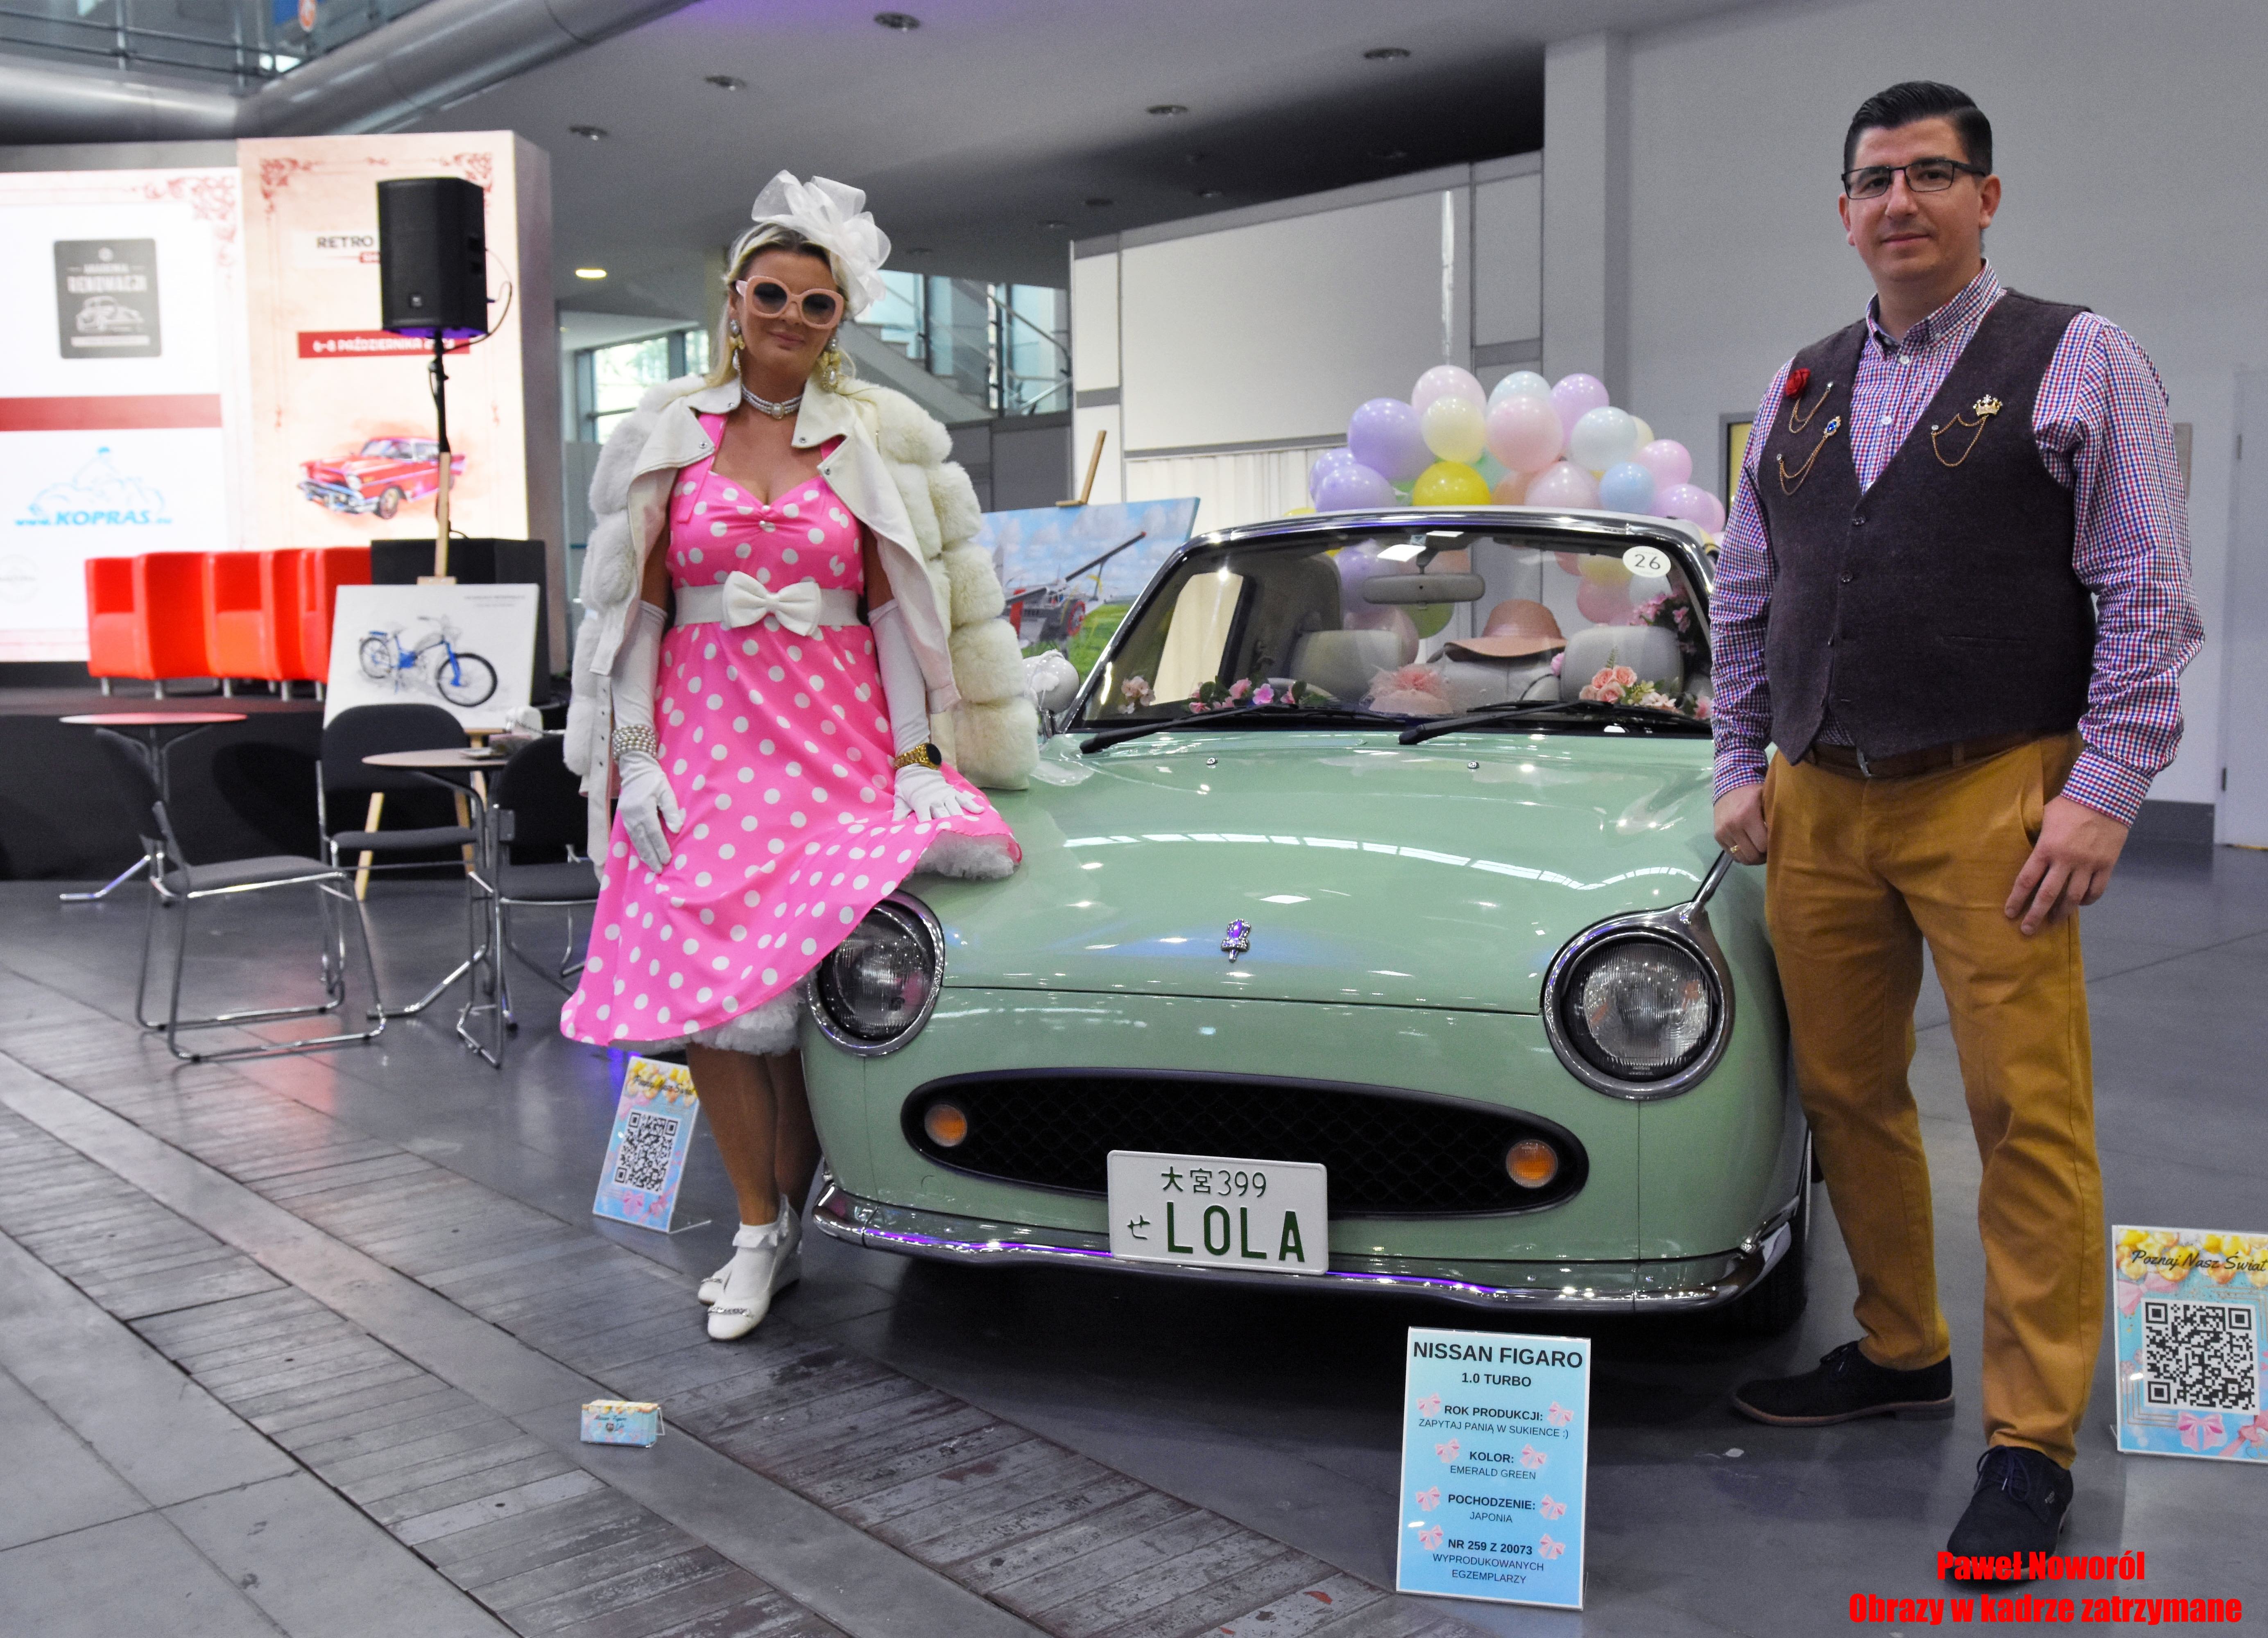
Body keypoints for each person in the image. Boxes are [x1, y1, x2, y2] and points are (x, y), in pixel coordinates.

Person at [1709, 83, 2202, 1563]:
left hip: (1996, 793)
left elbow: (2142, 587)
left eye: (1931, 174)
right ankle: (1900, 1346)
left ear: (1985, 199)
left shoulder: (2077, 355)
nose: (1899, 202)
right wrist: (1737, 760)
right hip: (1817, 797)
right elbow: (1747, 591)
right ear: (1843, 210)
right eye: (1874, 180)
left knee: (2023, 1117)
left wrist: (2105, 787)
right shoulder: (1799, 384)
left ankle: (2029, 1439)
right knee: (1846, 1094)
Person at [561, 172, 1036, 1341]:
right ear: (734, 300)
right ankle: (754, 1226)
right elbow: (637, 615)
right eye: (769, 294)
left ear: (839, 322)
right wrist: (638, 759)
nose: (788, 316)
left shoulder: (865, 442)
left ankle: (796, 1213)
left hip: (835, 745)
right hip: (705, 744)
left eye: (815, 303)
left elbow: (892, 610)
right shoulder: (670, 436)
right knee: (716, 1005)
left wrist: (917, 756)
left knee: (816, 995)